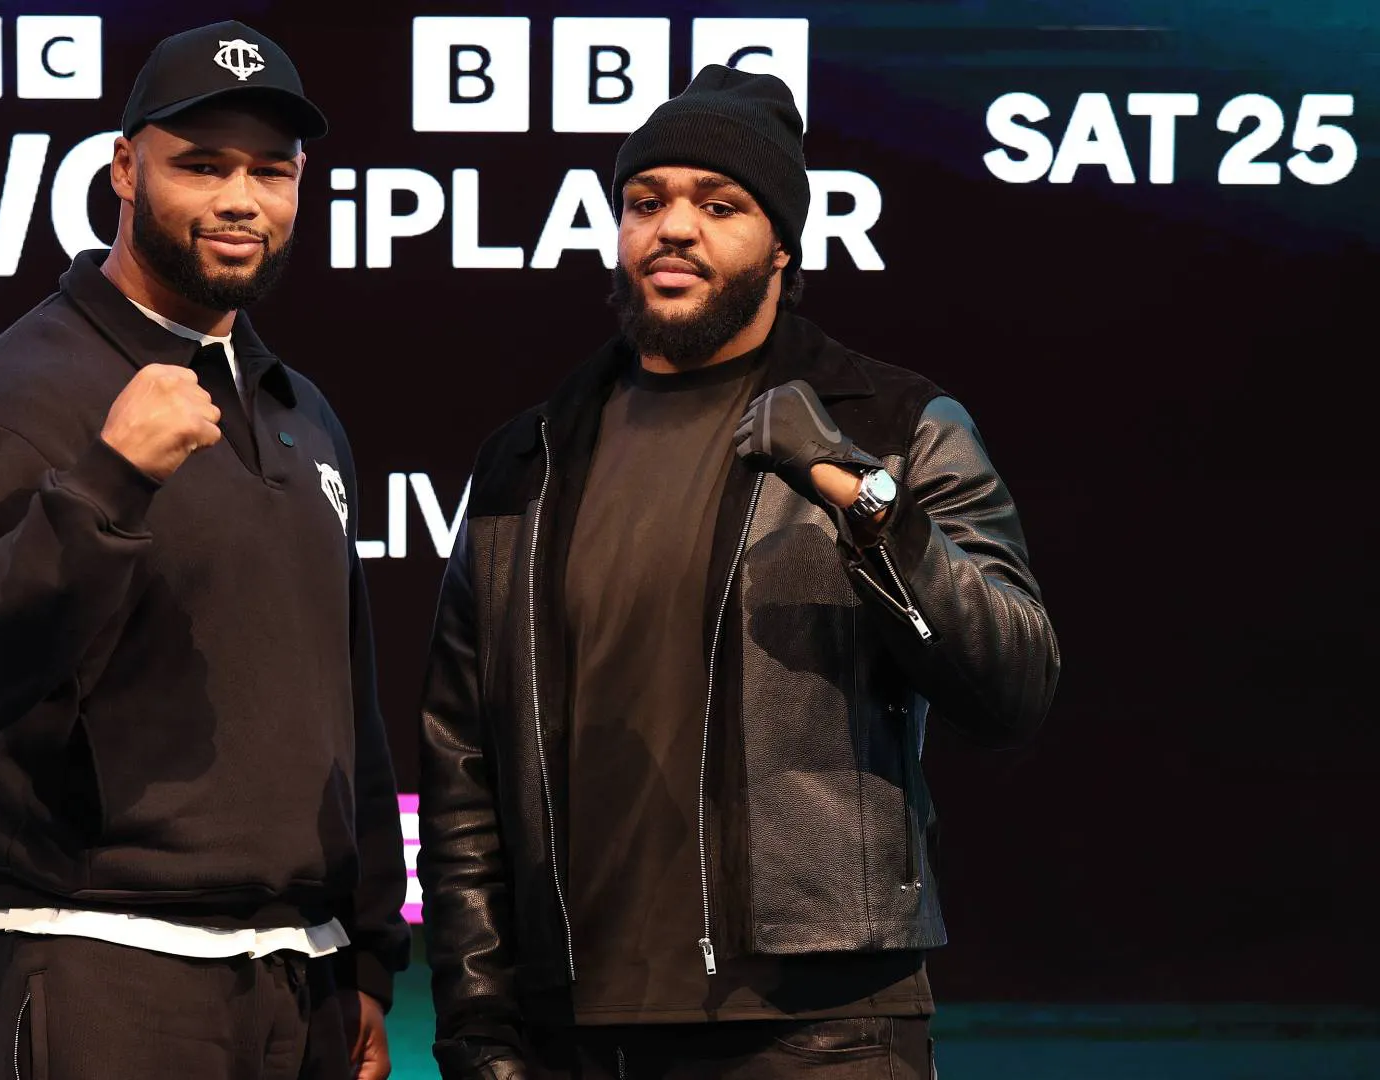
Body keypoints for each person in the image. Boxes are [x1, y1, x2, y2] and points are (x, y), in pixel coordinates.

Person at [417, 66, 1060, 1079]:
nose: (674, 227)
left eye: (719, 206)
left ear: (783, 245)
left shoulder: (894, 427)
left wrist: (866, 502)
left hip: (820, 1030)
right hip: (575, 1033)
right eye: (646, 201)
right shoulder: (529, 458)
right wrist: (477, 1024)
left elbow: (1011, 685)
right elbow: (465, 769)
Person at [0, 20, 408, 1080]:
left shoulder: (299, 410)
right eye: (202, 166)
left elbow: (343, 697)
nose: (241, 200)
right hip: (100, 963)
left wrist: (366, 949)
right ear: (125, 170)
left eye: (270, 171)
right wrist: (108, 481)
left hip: (301, 978)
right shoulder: (20, 396)